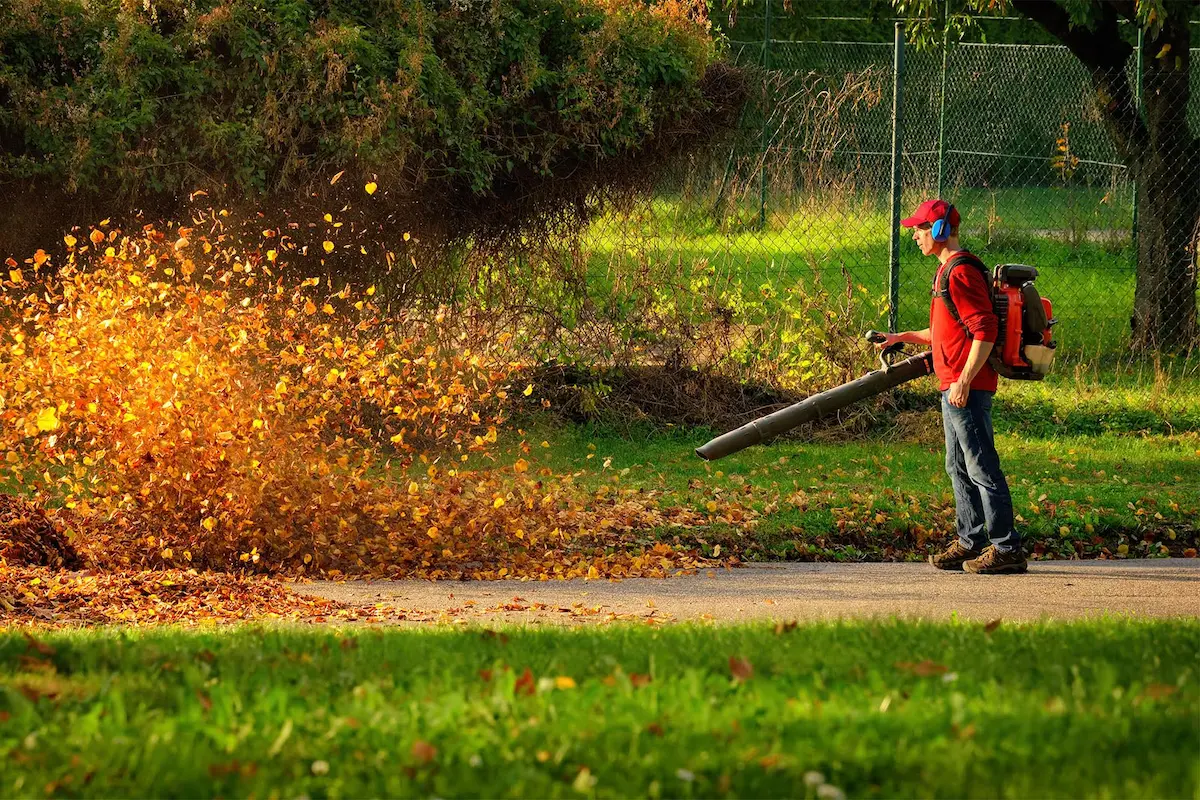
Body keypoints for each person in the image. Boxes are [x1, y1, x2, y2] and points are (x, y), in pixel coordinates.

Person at [876, 199, 1027, 575]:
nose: (914, 235)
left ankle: (1006, 547)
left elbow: (985, 329)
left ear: (940, 230)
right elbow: (947, 330)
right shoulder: (946, 273)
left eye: (920, 229)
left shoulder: (959, 273)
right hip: (954, 385)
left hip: (966, 388)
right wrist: (903, 336)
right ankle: (970, 541)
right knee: (957, 466)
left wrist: (964, 380)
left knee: (981, 467)